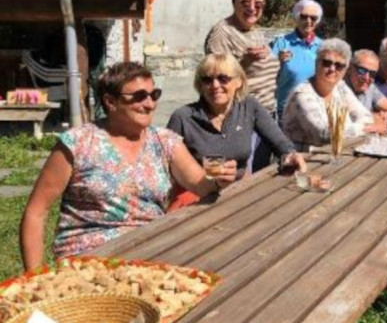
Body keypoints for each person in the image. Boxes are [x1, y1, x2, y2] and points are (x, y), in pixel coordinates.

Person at [19, 62, 237, 268]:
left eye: (154, 95)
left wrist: (219, 176)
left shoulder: (164, 141)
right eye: (139, 96)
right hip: (88, 257)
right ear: (111, 102)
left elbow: (199, 182)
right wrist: (34, 278)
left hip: (152, 251)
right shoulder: (78, 143)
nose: (150, 104)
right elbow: (36, 212)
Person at [166, 54, 307, 209]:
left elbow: (279, 142)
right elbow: (165, 169)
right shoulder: (183, 117)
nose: (215, 85)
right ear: (200, 85)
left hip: (237, 193)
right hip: (195, 198)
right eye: (207, 80)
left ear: (239, 81)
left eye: (223, 78)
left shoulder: (249, 106)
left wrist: (290, 154)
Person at [281, 39, 376, 149]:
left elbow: (366, 117)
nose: (332, 69)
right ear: (316, 63)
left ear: (345, 70)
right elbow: (323, 134)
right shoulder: (302, 94)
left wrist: (352, 128)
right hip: (303, 161)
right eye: (327, 63)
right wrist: (363, 128)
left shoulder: (340, 87)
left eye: (339, 66)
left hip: (334, 157)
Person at [205, 0, 279, 113]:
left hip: (267, 114)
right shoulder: (222, 32)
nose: (252, 8)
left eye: (258, 4)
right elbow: (214, 79)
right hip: (242, 116)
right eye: (245, 2)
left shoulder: (256, 32)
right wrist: (246, 61)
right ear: (234, 3)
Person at [271, 0, 324, 117]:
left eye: (313, 18)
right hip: (287, 111)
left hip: (315, 110)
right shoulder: (282, 43)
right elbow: (268, 73)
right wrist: (277, 61)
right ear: (296, 17)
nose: (308, 21)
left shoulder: (323, 47)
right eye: (304, 16)